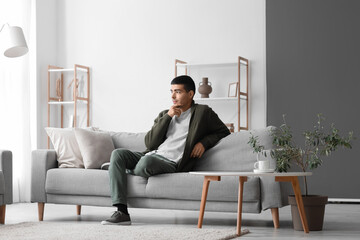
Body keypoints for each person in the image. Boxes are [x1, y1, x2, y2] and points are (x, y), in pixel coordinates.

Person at [101, 75, 230, 225]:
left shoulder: (203, 112)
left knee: (145, 163)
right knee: (118, 154)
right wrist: (168, 117)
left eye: (178, 91)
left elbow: (223, 131)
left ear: (190, 94)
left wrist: (203, 143)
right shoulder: (165, 114)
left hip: (172, 162)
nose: (173, 96)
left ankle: (118, 170)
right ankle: (121, 212)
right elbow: (150, 143)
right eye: (171, 91)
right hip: (152, 155)